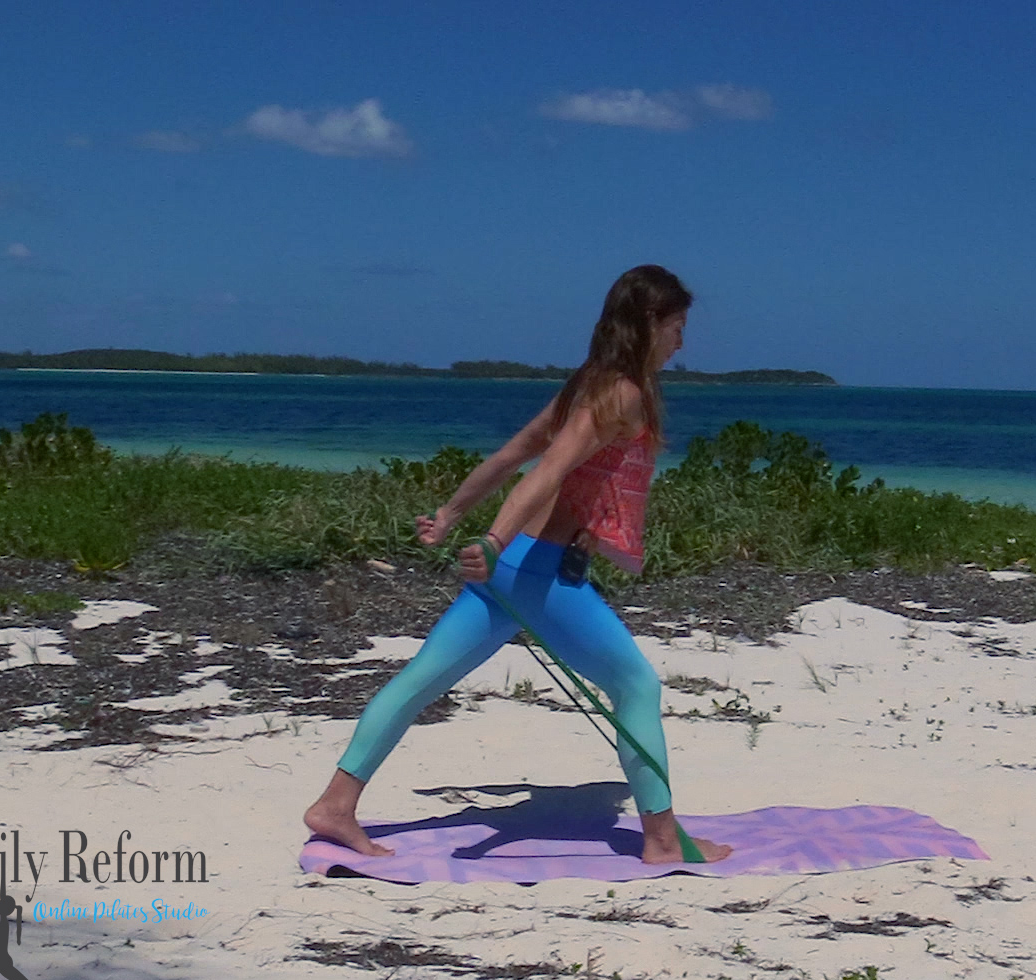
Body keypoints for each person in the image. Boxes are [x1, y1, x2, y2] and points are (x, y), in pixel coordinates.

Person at [303, 265, 732, 865]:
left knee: (420, 681)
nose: (681, 343)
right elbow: (548, 470)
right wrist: (496, 540)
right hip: (537, 571)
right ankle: (662, 840)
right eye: (677, 327)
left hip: (511, 572)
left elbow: (514, 452)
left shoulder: (589, 384)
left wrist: (451, 514)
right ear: (649, 324)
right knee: (636, 685)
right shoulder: (621, 393)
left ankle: (335, 804)